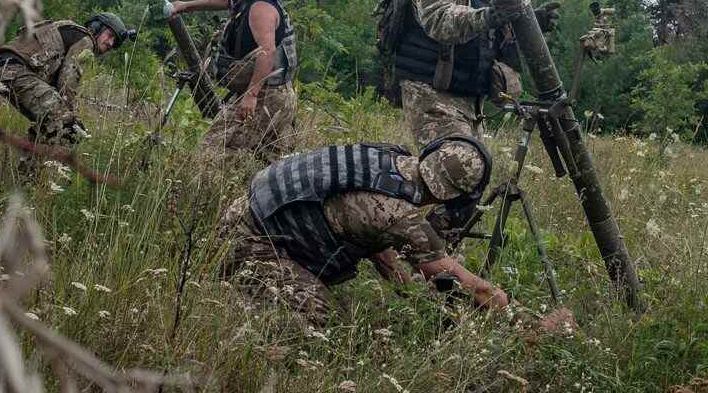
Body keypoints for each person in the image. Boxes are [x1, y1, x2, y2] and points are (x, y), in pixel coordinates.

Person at [217, 137, 575, 330]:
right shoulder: (401, 217)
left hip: (245, 213)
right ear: (452, 195)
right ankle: (238, 313)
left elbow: (371, 236)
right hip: (249, 247)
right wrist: (530, 321)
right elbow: (465, 282)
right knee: (325, 325)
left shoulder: (388, 157)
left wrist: (410, 291)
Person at [393, 0, 560, 231]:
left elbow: (487, 27)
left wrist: (526, 22)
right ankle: (380, 213)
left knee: (466, 195)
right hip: (433, 96)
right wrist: (491, 16)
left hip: (465, 98)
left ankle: (435, 266)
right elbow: (441, 20)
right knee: (461, 172)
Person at [166, 0, 297, 158]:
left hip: (266, 96)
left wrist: (251, 95)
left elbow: (267, 52)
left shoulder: (260, 9)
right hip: (278, 94)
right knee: (264, 161)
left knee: (210, 152)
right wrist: (185, 6)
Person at [0, 12, 134, 146]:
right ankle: (30, 169)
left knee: (51, 125)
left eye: (114, 41)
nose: (110, 43)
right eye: (109, 35)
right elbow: (67, 83)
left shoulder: (70, 30)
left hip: (5, 69)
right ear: (96, 28)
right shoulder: (86, 40)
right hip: (16, 70)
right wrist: (73, 118)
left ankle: (30, 168)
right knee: (68, 126)